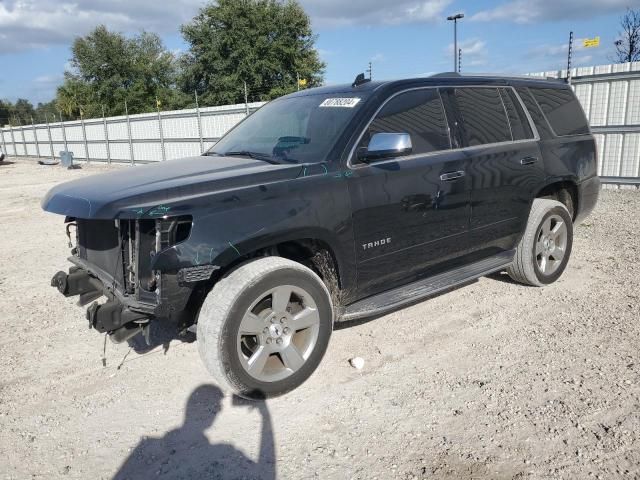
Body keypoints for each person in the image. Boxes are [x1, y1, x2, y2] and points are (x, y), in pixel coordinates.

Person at [113, 385, 275, 480]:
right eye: (218, 407)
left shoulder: (146, 445)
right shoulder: (225, 450)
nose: (218, 410)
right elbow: (265, 472)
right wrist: (265, 416)